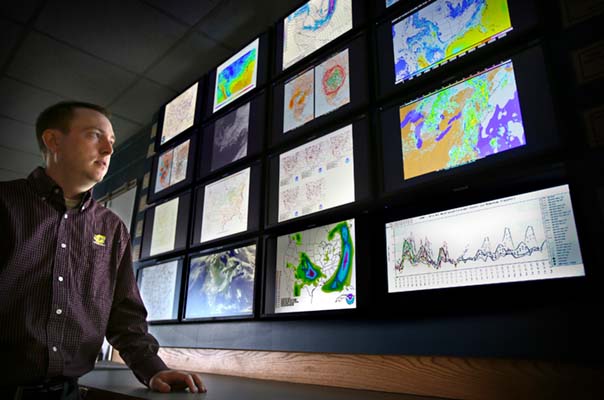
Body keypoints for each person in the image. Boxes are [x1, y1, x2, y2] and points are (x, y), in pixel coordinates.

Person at [0, 101, 206, 399]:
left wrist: (153, 369)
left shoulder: (112, 229)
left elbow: (124, 316)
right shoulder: (5, 204)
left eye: (111, 142)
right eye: (95, 135)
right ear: (53, 140)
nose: (109, 150)